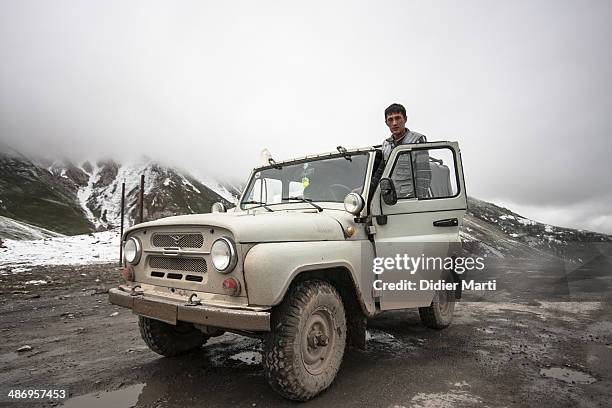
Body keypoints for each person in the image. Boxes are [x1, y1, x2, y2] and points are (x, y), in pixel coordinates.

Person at [371, 103, 431, 199]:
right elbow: (380, 173)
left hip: (410, 198)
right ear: (386, 123)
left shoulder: (417, 140)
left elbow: (423, 174)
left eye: (398, 118)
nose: (394, 123)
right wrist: (364, 193)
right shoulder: (386, 144)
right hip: (390, 198)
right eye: (390, 119)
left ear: (405, 119)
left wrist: (420, 201)